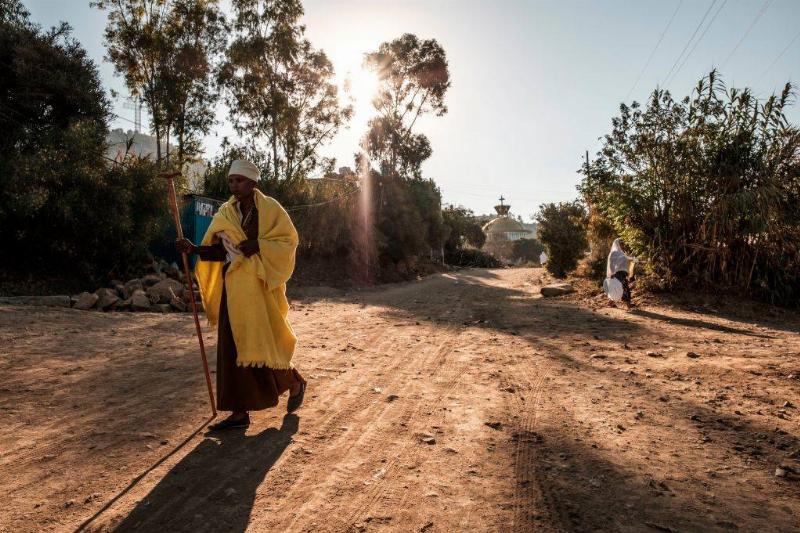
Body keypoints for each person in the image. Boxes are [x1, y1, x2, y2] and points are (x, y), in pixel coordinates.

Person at [176, 159, 306, 431]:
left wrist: (258, 244)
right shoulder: (225, 213)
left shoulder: (270, 210)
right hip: (233, 289)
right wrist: (194, 250)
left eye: (240, 180)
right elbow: (220, 251)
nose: (234, 185)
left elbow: (288, 241)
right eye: (231, 181)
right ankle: (238, 412)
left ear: (253, 183)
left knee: (262, 340)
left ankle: (293, 381)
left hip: (259, 287)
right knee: (232, 347)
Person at [606, 238, 636, 305]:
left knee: (618, 288)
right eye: (621, 244)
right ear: (617, 244)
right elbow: (611, 264)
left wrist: (633, 259)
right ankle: (628, 304)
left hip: (623, 273)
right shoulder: (613, 253)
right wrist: (612, 273)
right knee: (623, 287)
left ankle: (611, 302)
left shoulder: (622, 253)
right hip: (616, 273)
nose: (622, 245)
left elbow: (627, 260)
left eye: (623, 244)